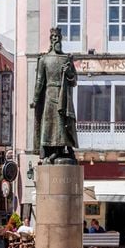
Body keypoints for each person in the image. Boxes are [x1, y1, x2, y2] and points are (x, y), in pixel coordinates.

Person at [30, 27, 79, 164]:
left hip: (63, 95)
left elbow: (74, 80)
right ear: (50, 39)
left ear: (61, 39)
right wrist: (35, 99)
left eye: (57, 37)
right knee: (50, 124)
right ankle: (51, 151)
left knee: (63, 123)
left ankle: (63, 149)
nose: (55, 39)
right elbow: (40, 81)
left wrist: (69, 72)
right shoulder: (44, 59)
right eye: (53, 37)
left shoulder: (67, 59)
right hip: (49, 94)